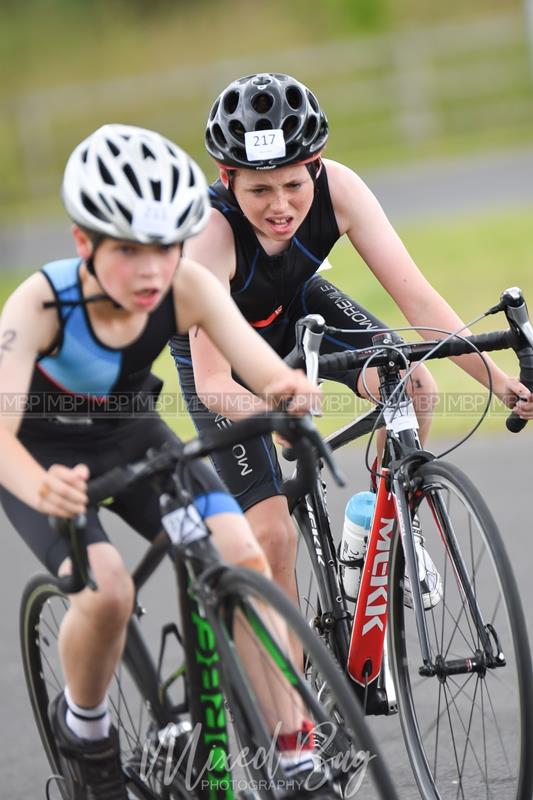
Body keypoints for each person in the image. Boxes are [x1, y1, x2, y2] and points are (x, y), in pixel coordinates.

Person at [0, 124, 324, 800]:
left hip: (129, 433)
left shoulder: (187, 286)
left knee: (241, 552)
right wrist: (41, 486)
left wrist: (288, 393)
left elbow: (260, 368)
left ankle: (292, 751)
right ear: (83, 242)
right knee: (109, 588)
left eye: (166, 248)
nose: (151, 271)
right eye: (128, 251)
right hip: (40, 456)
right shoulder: (40, 303)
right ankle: (84, 727)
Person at [171, 71, 533, 614]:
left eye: (294, 184)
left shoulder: (339, 189)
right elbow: (214, 383)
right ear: (226, 179)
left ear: (316, 166)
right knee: (272, 538)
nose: (281, 207)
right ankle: (294, 698)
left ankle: (374, 533)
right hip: (221, 354)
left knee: (412, 386)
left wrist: (499, 380)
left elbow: (420, 303)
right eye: (259, 189)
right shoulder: (210, 235)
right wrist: (280, 416)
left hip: (296, 305)